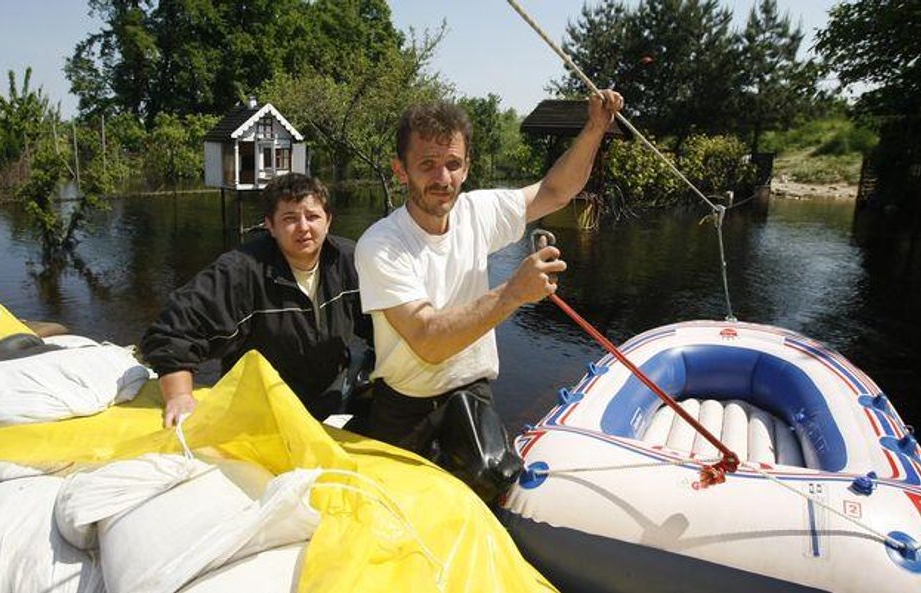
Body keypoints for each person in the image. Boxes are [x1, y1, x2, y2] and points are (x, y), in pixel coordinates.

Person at [354, 91, 624, 500]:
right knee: (394, 511)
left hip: (469, 388)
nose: (442, 178)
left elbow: (555, 191)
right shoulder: (381, 244)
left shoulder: (477, 212)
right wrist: (513, 293)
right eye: (427, 164)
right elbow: (428, 341)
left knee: (491, 485)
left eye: (453, 164)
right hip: (406, 401)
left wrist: (594, 129)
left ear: (467, 168)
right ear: (401, 170)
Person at [142, 172, 372, 428]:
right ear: (270, 226)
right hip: (261, 407)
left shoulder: (352, 262)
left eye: (313, 216)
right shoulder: (239, 272)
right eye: (290, 218)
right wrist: (180, 397)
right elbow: (171, 330)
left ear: (328, 221)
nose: (304, 227)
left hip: (332, 396)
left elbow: (383, 324)